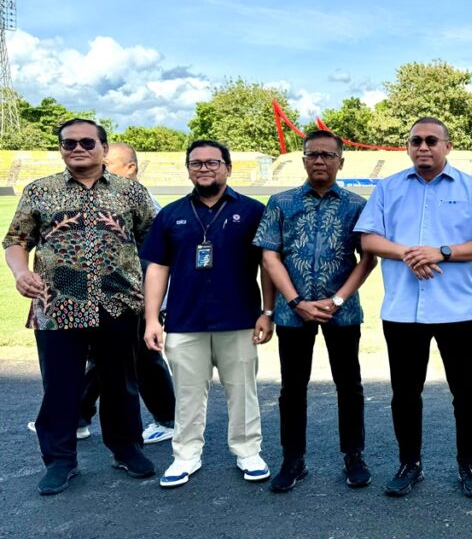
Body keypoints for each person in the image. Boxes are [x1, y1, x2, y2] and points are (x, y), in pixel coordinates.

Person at [4, 119, 157, 495]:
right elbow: (16, 240)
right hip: (57, 304)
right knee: (60, 387)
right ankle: (59, 461)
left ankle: (126, 449)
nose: (77, 148)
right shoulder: (41, 190)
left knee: (120, 383)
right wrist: (21, 272)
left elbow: (153, 245)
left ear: (103, 148)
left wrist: (153, 301)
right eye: (68, 143)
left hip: (119, 301)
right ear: (61, 148)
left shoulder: (130, 193)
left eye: (87, 142)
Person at [355, 117, 472, 498]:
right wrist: (410, 253)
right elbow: (369, 238)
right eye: (416, 141)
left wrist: (443, 252)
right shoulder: (387, 189)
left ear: (447, 146)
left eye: (431, 141)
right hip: (403, 310)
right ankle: (410, 463)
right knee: (405, 393)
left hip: (457, 310)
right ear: (408, 146)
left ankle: (469, 464)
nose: (423, 147)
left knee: (466, 392)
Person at [140, 140, 275, 488]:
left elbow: (268, 265)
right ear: (188, 169)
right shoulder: (170, 214)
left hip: (240, 318)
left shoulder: (252, 211)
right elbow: (157, 268)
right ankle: (185, 456)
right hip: (185, 321)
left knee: (242, 391)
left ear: (228, 168)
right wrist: (152, 318)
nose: (204, 168)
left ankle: (248, 452)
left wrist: (267, 311)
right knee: (186, 394)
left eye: (212, 162)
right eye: (196, 163)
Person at [254, 130, 377, 493]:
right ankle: (293, 459)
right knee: (292, 388)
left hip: (342, 311)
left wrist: (337, 300)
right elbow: (269, 256)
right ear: (303, 159)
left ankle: (353, 455)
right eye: (312, 154)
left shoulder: (357, 204)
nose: (319, 161)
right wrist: (292, 302)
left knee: (349, 386)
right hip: (294, 311)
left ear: (341, 160)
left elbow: (368, 259)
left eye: (327, 154)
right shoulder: (281, 201)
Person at [77, 143, 176, 444]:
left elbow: (157, 258)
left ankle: (169, 419)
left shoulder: (142, 202)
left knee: (142, 359)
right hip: (111, 297)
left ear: (130, 168)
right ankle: (77, 417)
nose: (101, 168)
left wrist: (152, 307)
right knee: (107, 357)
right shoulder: (108, 198)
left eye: (108, 163)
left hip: (141, 297)